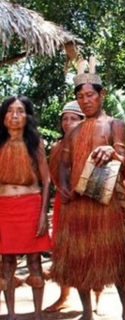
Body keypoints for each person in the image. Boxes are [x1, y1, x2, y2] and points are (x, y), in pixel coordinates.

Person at [51, 59, 125, 320]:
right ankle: (86, 312)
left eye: (90, 95)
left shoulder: (114, 125)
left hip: (105, 204)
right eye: (80, 97)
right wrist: (62, 186)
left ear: (101, 95)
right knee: (80, 259)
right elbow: (63, 165)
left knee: (117, 257)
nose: (85, 101)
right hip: (78, 205)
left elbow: (123, 156)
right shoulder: (74, 133)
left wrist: (111, 150)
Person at [45, 101, 104, 314]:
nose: (67, 122)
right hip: (66, 203)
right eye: (64, 118)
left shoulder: (93, 143)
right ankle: (64, 296)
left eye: (73, 118)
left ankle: (98, 300)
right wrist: (64, 189)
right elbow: (53, 176)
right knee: (66, 251)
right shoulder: (56, 147)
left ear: (83, 121)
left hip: (90, 203)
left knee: (94, 250)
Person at [0, 95, 51, 320]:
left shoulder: (35, 142)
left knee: (34, 261)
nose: (14, 115)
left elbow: (46, 180)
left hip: (30, 205)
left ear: (27, 116)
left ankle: (38, 314)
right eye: (10, 111)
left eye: (20, 111)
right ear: (3, 116)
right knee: (7, 262)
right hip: (3, 208)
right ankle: (11, 314)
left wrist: (43, 215)